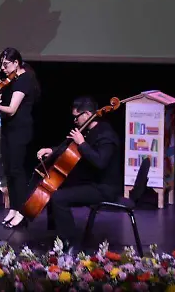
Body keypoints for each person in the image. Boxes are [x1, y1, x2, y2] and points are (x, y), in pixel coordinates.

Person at [36, 96, 122, 250]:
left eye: (77, 117)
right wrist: (52, 150)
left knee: (58, 197)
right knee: (56, 186)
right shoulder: (90, 131)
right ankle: (58, 235)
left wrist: (81, 143)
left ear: (88, 114)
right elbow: (71, 150)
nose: (75, 121)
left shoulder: (106, 135)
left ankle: (69, 243)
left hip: (104, 188)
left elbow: (100, 162)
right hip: (92, 182)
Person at [0, 47, 40, 229]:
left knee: (17, 171)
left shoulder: (24, 80)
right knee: (9, 170)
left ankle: (22, 211)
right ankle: (14, 208)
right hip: (9, 129)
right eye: (1, 64)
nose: (3, 68)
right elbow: (4, 99)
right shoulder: (12, 79)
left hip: (20, 130)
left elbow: (12, 109)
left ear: (16, 63)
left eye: (6, 65)